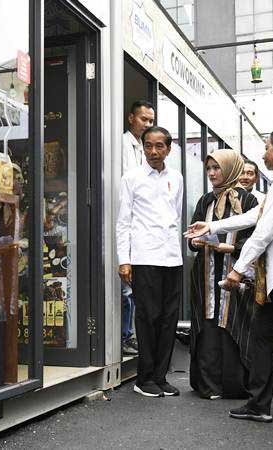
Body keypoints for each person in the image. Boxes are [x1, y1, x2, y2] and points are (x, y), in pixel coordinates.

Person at [186, 127, 273, 425]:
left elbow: (263, 232)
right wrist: (210, 227)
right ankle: (259, 403)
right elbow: (255, 217)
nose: (263, 154)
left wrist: (237, 270)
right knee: (261, 339)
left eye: (267, 148)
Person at [116, 126, 183, 398]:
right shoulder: (131, 178)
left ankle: (160, 376)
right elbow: (124, 222)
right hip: (144, 258)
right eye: (148, 146)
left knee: (169, 320)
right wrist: (124, 260)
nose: (153, 152)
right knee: (147, 318)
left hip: (172, 258)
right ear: (142, 148)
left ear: (168, 148)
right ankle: (143, 378)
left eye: (159, 146)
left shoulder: (176, 178)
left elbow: (175, 217)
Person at [188, 149, 258, 400]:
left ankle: (235, 385)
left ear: (230, 169)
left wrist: (232, 248)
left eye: (217, 168)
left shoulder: (248, 201)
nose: (212, 173)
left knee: (234, 322)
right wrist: (195, 242)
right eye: (209, 169)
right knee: (207, 326)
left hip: (235, 271)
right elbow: (193, 232)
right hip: (205, 272)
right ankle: (209, 385)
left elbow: (257, 238)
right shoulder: (205, 200)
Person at [120, 100, 155, 356]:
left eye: (151, 121)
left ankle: (130, 335)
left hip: (142, 226)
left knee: (135, 287)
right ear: (131, 118)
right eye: (144, 119)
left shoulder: (146, 149)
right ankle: (125, 336)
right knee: (127, 287)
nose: (148, 124)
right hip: (127, 221)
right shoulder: (123, 144)